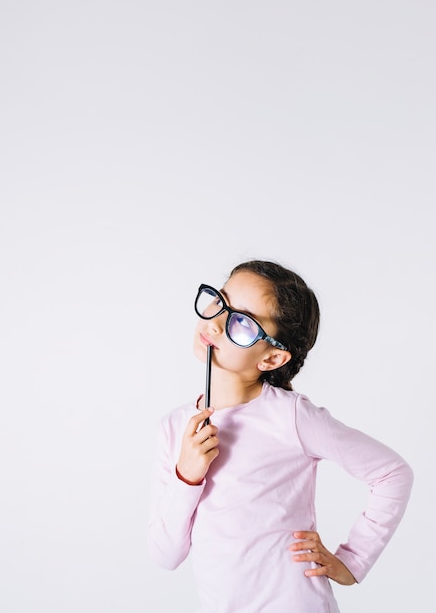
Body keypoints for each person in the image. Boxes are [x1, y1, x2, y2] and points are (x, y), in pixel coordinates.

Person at [147, 260, 413, 613]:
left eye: (241, 321)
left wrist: (353, 560)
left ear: (272, 357)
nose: (216, 322)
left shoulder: (291, 416)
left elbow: (392, 473)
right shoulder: (174, 427)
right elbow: (166, 555)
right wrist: (188, 476)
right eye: (219, 302)